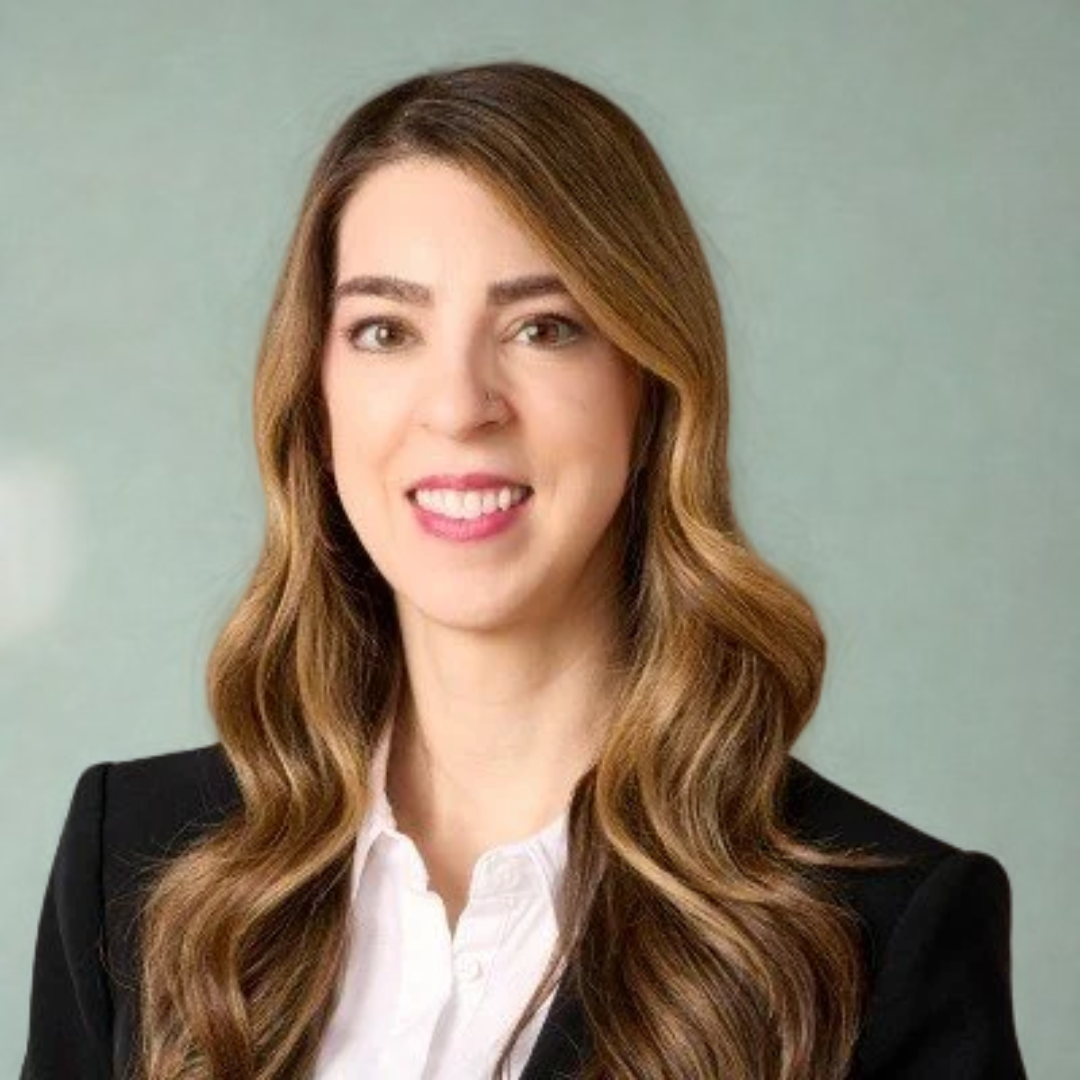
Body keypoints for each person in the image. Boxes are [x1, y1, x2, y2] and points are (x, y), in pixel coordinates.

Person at [21, 60, 1027, 1080]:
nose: (459, 405)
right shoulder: (135, 866)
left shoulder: (882, 932)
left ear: (652, 393)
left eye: (542, 328)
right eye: (386, 330)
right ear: (316, 399)